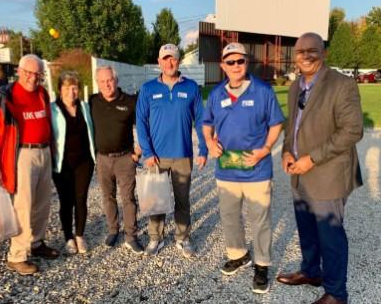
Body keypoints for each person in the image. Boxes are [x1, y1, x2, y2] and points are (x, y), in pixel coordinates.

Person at [276, 33, 363, 304]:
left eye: (312, 50)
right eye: (300, 50)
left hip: (328, 174)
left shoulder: (341, 84)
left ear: (324, 53)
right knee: (307, 228)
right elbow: (293, 126)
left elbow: (353, 130)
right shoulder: (295, 87)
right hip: (299, 174)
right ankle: (312, 272)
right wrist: (286, 151)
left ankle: (337, 294)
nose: (306, 55)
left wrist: (311, 159)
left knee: (330, 235)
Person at [202, 42, 284, 293]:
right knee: (229, 217)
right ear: (223, 65)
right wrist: (209, 142)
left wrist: (266, 148)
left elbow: (276, 124)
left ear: (247, 63)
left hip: (256, 168)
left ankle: (261, 265)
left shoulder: (262, 90)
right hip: (226, 169)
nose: (236, 66)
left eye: (240, 61)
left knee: (259, 220)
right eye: (231, 62)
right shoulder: (216, 94)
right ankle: (239, 254)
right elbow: (207, 123)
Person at [0, 54, 59, 276]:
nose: (33, 78)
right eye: (28, 72)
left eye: (37, 74)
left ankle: (36, 243)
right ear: (19, 71)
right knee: (23, 207)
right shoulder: (6, 97)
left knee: (42, 204)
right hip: (22, 156)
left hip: (43, 152)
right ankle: (17, 255)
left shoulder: (42, 93)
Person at [136, 43, 208, 258]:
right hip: (156, 158)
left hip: (182, 154)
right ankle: (155, 238)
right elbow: (140, 121)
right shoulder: (148, 89)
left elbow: (201, 120)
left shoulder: (191, 88)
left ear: (178, 61)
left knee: (182, 200)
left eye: (173, 58)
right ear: (159, 62)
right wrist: (147, 152)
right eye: (165, 58)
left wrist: (203, 148)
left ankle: (183, 237)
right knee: (156, 200)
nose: (169, 62)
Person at [89, 66, 144, 255]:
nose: (107, 84)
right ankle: (113, 230)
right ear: (97, 83)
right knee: (107, 197)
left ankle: (131, 236)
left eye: (110, 80)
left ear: (116, 80)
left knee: (128, 198)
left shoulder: (129, 101)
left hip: (125, 159)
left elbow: (145, 125)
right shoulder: (93, 102)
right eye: (102, 81)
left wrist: (138, 151)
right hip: (103, 160)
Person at [50, 71, 96, 254]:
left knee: (81, 198)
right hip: (62, 164)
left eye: (75, 87)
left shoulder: (85, 107)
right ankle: (68, 237)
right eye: (67, 88)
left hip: (84, 162)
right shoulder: (52, 109)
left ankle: (79, 235)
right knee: (66, 201)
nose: (71, 92)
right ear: (60, 89)